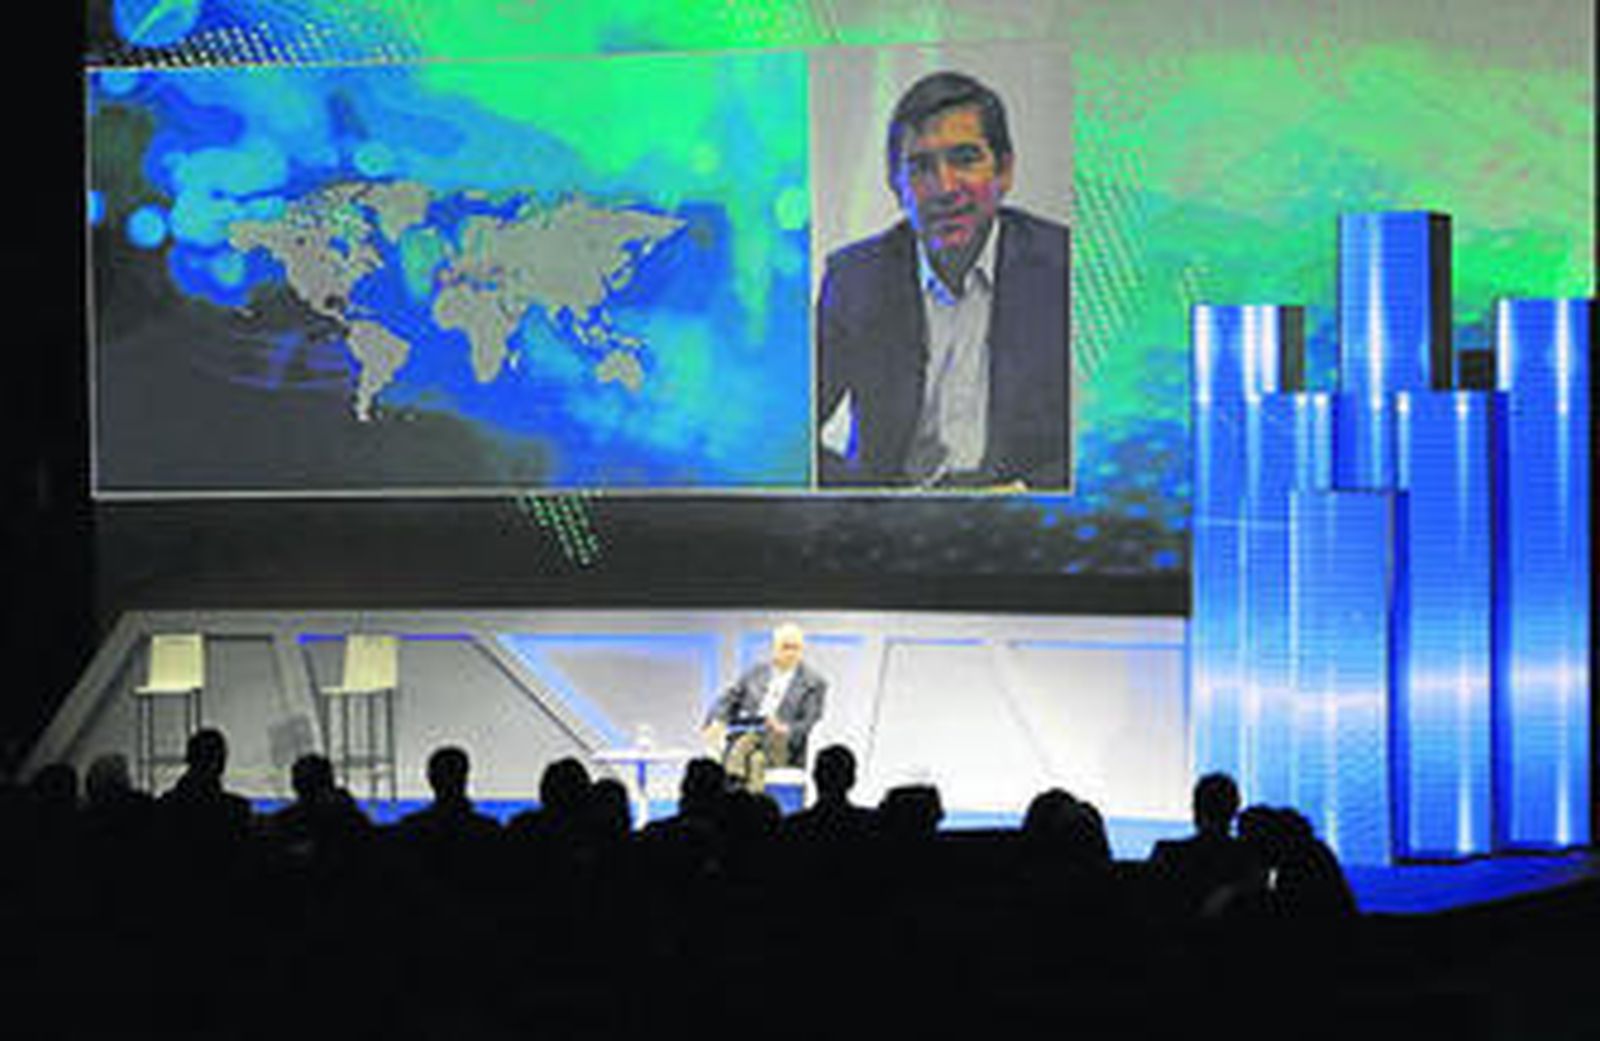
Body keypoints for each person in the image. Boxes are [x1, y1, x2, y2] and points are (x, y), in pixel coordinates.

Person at [816, 69, 1071, 489]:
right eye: (920, 167)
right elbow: (789, 438)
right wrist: (867, 503)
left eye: (965, 159)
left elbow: (1100, 442)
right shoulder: (855, 280)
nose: (944, 187)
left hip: (1021, 522)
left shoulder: (1062, 267)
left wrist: (1025, 496)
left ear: (1004, 171)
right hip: (893, 529)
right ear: (896, 187)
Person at [702, 623, 827, 793]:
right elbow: (728, 698)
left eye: (796, 648)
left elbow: (810, 722)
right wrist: (716, 720)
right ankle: (751, 809)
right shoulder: (756, 673)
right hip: (752, 737)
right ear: (774, 648)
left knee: (743, 747)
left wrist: (784, 729)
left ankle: (732, 782)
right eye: (786, 647)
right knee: (756, 761)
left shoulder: (814, 683)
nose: (791, 653)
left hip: (781, 744)